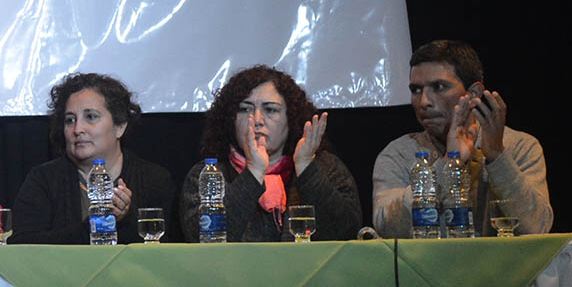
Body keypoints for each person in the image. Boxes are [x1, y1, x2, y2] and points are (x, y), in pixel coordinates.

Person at [373, 40, 553, 237]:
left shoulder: (519, 146)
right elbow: (387, 229)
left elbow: (537, 227)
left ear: (473, 93)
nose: (424, 102)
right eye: (416, 90)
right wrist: (449, 164)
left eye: (439, 86)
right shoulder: (398, 153)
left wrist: (497, 157)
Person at [179, 65, 362, 241]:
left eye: (270, 110)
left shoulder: (326, 167)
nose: (257, 120)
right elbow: (201, 239)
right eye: (245, 109)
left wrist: (307, 169)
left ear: (290, 118)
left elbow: (346, 234)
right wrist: (254, 172)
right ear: (230, 120)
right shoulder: (208, 173)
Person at [10, 72, 175, 244]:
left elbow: (164, 255)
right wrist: (96, 225)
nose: (77, 129)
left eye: (91, 117)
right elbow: (22, 247)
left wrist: (124, 219)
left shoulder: (154, 179)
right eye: (70, 120)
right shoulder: (43, 180)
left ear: (119, 126)